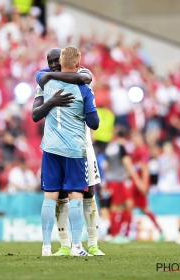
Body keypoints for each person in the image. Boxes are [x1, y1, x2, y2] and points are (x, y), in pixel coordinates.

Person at [33, 48, 105, 256]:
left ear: (62, 61)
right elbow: (36, 114)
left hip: (74, 147)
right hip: (75, 147)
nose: (53, 65)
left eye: (56, 61)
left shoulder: (49, 79)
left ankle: (91, 243)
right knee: (71, 195)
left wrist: (49, 76)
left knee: (87, 194)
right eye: (50, 63)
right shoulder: (49, 82)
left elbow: (86, 76)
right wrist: (52, 101)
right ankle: (69, 245)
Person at [104, 128, 144, 244]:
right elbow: (128, 164)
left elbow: (106, 165)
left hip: (111, 180)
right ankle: (117, 234)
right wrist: (137, 180)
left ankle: (115, 233)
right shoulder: (122, 147)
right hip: (119, 180)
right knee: (122, 206)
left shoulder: (110, 147)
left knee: (116, 206)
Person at [129, 131, 164, 241]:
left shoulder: (142, 150)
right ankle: (160, 230)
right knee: (137, 208)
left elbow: (145, 168)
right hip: (136, 182)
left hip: (139, 183)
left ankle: (126, 233)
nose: (133, 140)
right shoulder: (136, 150)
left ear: (140, 138)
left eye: (135, 137)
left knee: (133, 206)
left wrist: (143, 183)